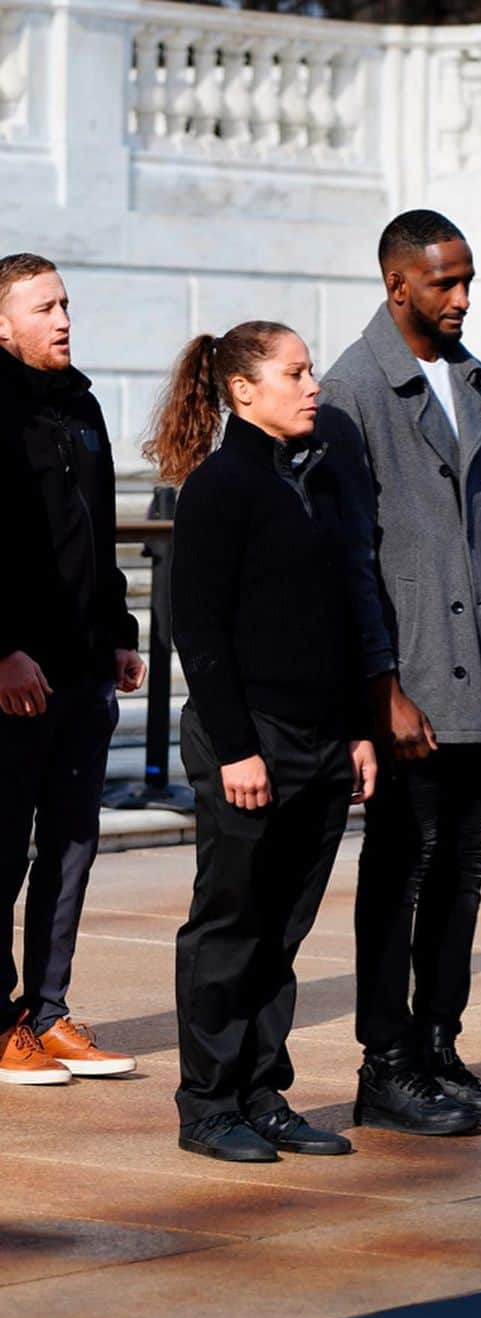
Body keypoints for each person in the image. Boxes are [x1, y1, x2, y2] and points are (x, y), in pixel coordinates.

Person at [318, 209, 481, 1137]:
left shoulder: (474, 376)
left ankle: (440, 1045)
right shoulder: (350, 390)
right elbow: (349, 558)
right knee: (401, 866)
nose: (459, 299)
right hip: (409, 674)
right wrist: (380, 686)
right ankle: (387, 1065)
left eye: (467, 281)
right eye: (443, 283)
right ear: (396, 284)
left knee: (464, 868)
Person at [145, 321, 379, 1163]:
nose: (312, 384)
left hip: (320, 739)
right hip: (249, 741)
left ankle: (260, 1091)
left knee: (283, 926)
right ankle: (207, 1105)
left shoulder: (310, 479)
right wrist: (238, 748)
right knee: (230, 923)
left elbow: (340, 616)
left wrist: (356, 730)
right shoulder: (217, 487)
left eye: (310, 369)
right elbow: (196, 631)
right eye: (295, 372)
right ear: (243, 391)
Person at [0, 252, 144, 1087]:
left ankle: (46, 1014)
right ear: (4, 323)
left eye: (65, 303)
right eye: (43, 307)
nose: (62, 319)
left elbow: (100, 533)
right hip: (15, 675)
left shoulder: (82, 404)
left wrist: (119, 630)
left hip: (83, 667)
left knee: (72, 843)